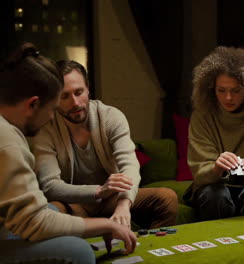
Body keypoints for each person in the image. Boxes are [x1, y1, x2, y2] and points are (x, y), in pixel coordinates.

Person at [0, 43, 136, 263]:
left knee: (51, 209)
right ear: (33, 104)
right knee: (78, 251)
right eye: (53, 108)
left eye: (79, 92)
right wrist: (106, 224)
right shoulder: (8, 142)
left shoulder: (7, 130)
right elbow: (35, 223)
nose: (53, 118)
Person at [31, 60, 178, 229]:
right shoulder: (45, 129)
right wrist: (99, 191)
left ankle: (149, 250)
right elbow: (50, 186)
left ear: (88, 88)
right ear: (54, 99)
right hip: (74, 203)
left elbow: (129, 165)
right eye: (65, 96)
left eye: (79, 92)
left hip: (112, 200)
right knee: (50, 211)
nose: (75, 102)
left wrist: (124, 204)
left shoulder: (110, 117)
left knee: (167, 198)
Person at [183, 46, 244, 221]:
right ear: (211, 89)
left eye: (236, 91)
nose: (228, 98)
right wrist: (215, 168)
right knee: (215, 195)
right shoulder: (202, 116)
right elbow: (200, 171)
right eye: (221, 90)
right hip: (213, 187)